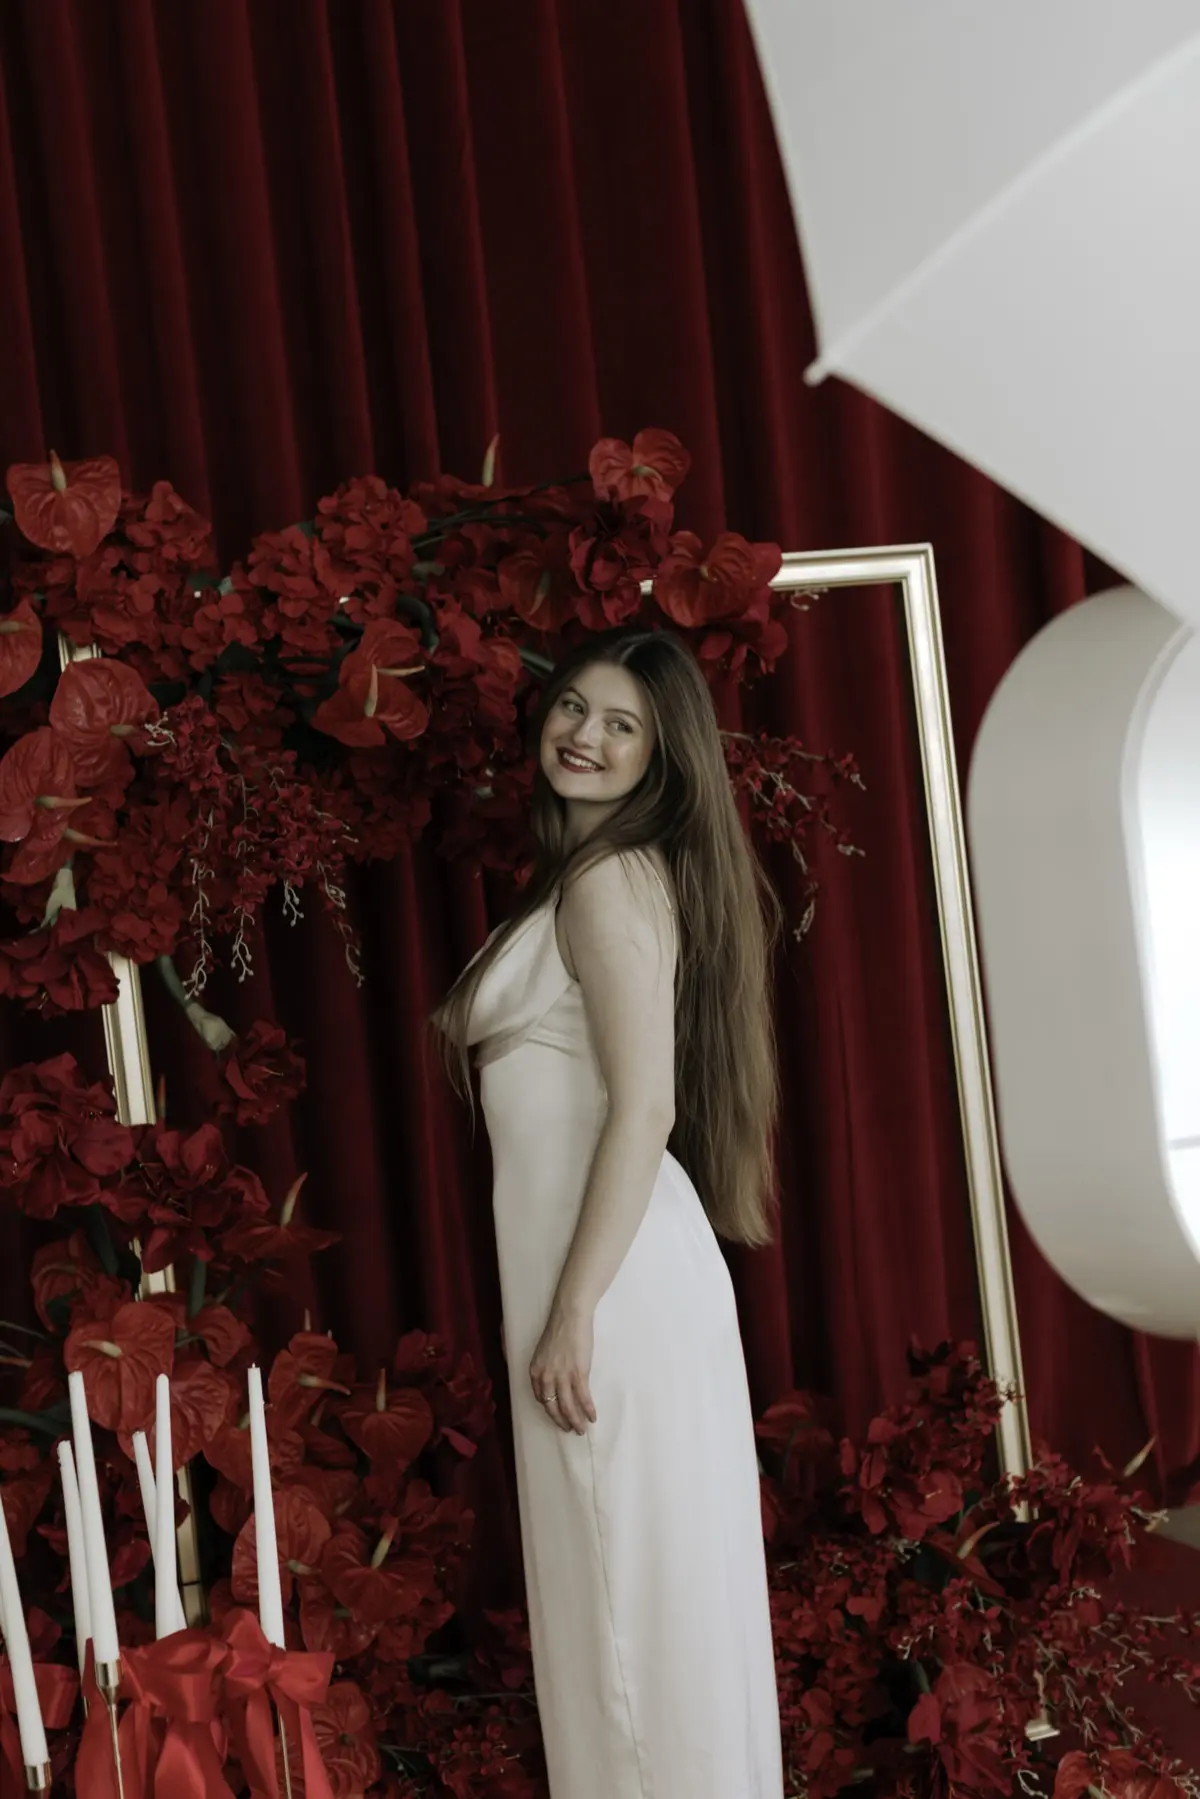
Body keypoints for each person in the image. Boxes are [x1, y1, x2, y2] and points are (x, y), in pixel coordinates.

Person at [432, 627, 785, 1799]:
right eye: (573, 707)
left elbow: (643, 1109)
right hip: (612, 1279)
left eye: (621, 723)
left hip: (613, 1291)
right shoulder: (599, 876)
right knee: (638, 1613)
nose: (583, 735)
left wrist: (574, 1309)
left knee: (634, 1622)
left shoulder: (604, 882)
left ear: (661, 754)